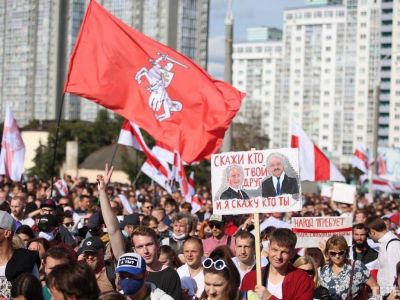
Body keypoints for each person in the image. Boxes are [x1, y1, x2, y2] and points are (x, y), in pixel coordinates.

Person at [97, 164, 182, 300]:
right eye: (140, 246)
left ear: (158, 245)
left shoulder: (170, 275)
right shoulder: (127, 263)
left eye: (149, 244)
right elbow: (113, 230)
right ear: (133, 249)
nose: (146, 251)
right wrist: (102, 191)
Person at [241, 228, 314, 300]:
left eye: (284, 252)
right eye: (275, 250)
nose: (278, 256)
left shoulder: (303, 280)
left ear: (292, 253)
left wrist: (269, 297)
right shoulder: (250, 278)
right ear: (269, 247)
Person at [320, 235, 379, 299]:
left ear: (346, 251)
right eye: (333, 253)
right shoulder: (323, 270)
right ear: (327, 253)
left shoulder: (357, 266)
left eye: (341, 253)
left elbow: (375, 286)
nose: (337, 256)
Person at [366, 216, 400, 296]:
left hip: (391, 295)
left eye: (369, 234)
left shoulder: (392, 244)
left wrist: (393, 296)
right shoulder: (385, 243)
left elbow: (395, 274)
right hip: (385, 294)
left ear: (373, 232)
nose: (369, 237)